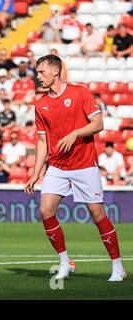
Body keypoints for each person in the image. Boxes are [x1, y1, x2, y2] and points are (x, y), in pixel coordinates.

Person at [24, 55, 126, 281]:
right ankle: (64, 262)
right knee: (45, 211)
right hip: (57, 166)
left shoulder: (80, 93)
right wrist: (35, 173)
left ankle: (117, 266)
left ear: (55, 72)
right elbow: (42, 141)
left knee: (97, 215)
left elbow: (98, 124)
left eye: (41, 72)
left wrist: (75, 133)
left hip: (84, 164)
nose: (38, 76)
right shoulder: (40, 104)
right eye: (37, 72)